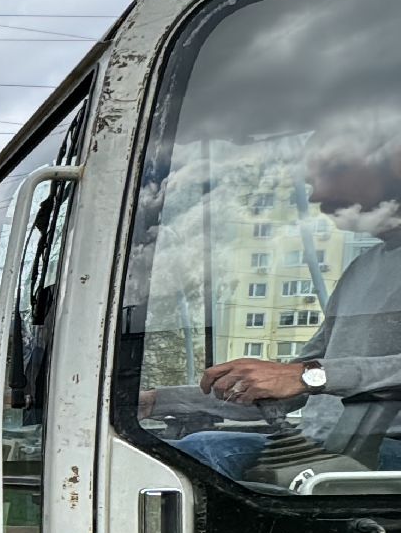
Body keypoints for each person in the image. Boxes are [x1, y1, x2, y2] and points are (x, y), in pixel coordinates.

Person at [145, 110, 401, 480]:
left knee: (200, 458)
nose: (320, 194)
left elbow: (308, 378)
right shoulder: (363, 269)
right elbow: (291, 389)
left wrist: (308, 377)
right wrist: (156, 401)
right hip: (329, 450)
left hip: (383, 456)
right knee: (168, 455)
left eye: (335, 170)